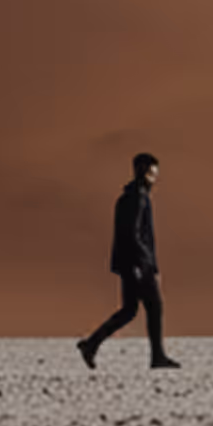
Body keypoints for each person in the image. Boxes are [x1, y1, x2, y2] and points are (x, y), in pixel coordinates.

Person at [76, 153, 180, 369]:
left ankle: (91, 344)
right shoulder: (137, 198)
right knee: (154, 307)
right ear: (143, 172)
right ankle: (157, 357)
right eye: (152, 172)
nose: (155, 177)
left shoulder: (133, 196)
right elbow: (131, 235)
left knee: (129, 310)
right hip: (138, 264)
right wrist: (143, 265)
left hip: (133, 263)